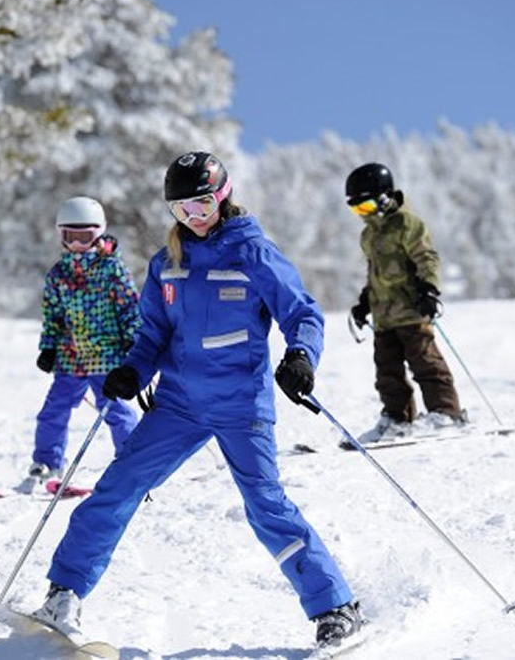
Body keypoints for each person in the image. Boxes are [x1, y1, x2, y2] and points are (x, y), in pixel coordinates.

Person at [33, 152, 361, 649]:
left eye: (203, 202)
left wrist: (301, 357)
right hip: (179, 403)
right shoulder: (168, 264)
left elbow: (302, 313)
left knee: (265, 506)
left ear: (222, 196)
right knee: (117, 487)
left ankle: (335, 606)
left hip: (240, 403)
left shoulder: (253, 253)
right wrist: (131, 371)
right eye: (182, 207)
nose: (194, 215)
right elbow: (151, 336)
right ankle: (64, 593)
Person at [345, 162, 465, 445]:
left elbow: (426, 258)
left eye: (366, 206)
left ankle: (446, 413)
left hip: (410, 310)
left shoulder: (407, 223)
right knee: (386, 371)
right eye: (357, 210)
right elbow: (374, 271)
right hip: (384, 316)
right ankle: (398, 419)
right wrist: (365, 302)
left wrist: (429, 289)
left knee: (426, 363)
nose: (364, 215)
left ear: (385, 196)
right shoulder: (369, 235)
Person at [29, 196, 141, 485]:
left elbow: (130, 307)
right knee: (53, 411)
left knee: (115, 411)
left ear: (99, 234)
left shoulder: (111, 269)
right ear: (61, 235)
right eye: (71, 237)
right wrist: (48, 348)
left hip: (106, 358)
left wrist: (133, 339)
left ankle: (131, 464)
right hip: (70, 358)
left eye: (85, 237)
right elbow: (52, 315)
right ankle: (46, 462)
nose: (78, 244)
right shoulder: (58, 274)